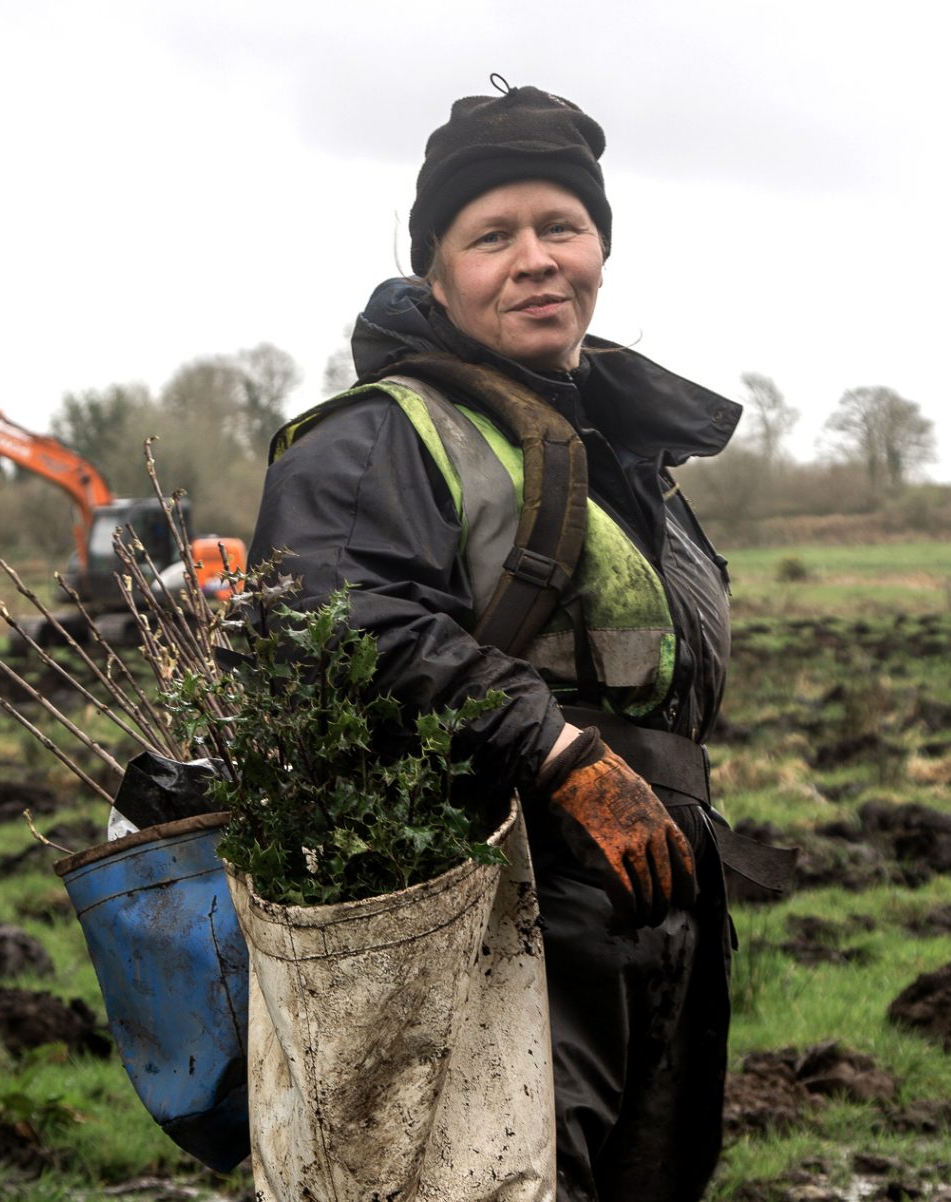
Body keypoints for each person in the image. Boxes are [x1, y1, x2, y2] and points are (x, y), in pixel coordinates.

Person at [248, 76, 741, 1202]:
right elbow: (336, 620)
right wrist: (556, 750)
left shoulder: (617, 450)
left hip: (653, 892)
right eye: (492, 235)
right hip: (489, 899)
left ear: (599, 249)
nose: (535, 258)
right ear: (436, 269)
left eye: (561, 225)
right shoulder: (381, 434)